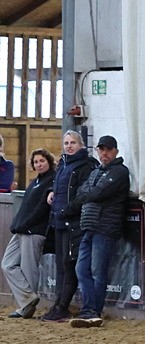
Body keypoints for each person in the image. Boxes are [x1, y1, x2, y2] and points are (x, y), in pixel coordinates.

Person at [70, 135, 131, 328]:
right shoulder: (97, 171)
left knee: (96, 270)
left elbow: (93, 193)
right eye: (101, 149)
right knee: (82, 269)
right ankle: (89, 309)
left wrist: (88, 195)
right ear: (97, 150)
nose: (104, 153)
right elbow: (85, 192)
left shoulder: (119, 172)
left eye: (108, 150)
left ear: (115, 151)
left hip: (105, 227)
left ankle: (93, 310)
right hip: (90, 225)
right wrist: (89, 194)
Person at [39, 131, 98, 322]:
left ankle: (62, 306)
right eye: (66, 143)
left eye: (73, 142)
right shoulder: (63, 165)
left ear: (81, 145)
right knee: (60, 266)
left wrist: (67, 210)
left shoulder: (86, 166)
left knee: (68, 265)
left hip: (73, 222)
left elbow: (83, 194)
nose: (69, 146)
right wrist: (51, 191)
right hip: (59, 221)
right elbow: (58, 186)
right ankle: (57, 305)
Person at [2, 148, 55, 318]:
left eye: (42, 161)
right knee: (7, 264)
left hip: (35, 230)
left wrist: (25, 224)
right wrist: (19, 224)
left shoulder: (52, 181)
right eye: (36, 162)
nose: (39, 164)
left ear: (49, 161)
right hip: (22, 229)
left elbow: (42, 208)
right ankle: (28, 299)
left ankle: (25, 307)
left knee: (28, 268)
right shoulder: (35, 183)